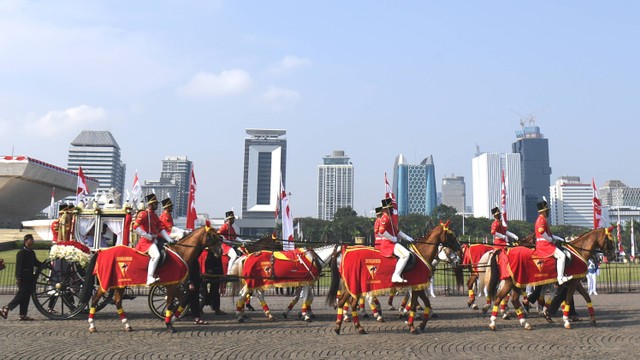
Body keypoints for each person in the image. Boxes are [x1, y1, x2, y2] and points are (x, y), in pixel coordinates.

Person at [133, 194, 173, 285]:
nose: (157, 205)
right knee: (156, 255)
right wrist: (146, 235)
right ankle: (149, 277)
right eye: (155, 203)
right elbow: (135, 227)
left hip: (154, 240)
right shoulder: (143, 214)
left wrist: (169, 239)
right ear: (151, 204)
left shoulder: (154, 215)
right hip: (146, 242)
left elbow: (161, 229)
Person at [1, 234, 43, 321]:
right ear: (26, 241)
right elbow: (18, 266)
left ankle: (23, 314)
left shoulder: (31, 252)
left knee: (26, 296)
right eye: (31, 240)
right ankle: (6, 307)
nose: (32, 241)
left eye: (33, 240)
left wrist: (45, 265)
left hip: (30, 277)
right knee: (22, 294)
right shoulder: (21, 252)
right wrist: (18, 278)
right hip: (23, 277)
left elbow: (36, 263)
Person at [535, 199, 573, 285]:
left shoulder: (543, 219)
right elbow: (541, 231)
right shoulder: (541, 220)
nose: (548, 212)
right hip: (544, 244)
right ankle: (560, 278)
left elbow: (550, 234)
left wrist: (559, 238)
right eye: (547, 210)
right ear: (544, 211)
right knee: (562, 256)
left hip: (545, 242)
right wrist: (549, 239)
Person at [377, 198, 414, 283]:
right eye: (391, 208)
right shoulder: (385, 218)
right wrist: (392, 238)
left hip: (392, 243)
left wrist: (407, 237)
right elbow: (381, 231)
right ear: (387, 209)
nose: (392, 209)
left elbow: (396, 231)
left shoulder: (390, 218)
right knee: (406, 255)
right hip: (388, 244)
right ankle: (396, 275)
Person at [217, 210, 241, 276]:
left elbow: (235, 238)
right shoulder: (225, 226)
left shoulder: (232, 228)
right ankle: (229, 272)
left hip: (230, 245)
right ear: (228, 219)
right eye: (232, 219)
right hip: (225, 246)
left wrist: (244, 241)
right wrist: (222, 238)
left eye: (233, 219)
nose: (233, 220)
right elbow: (218, 233)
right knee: (234, 256)